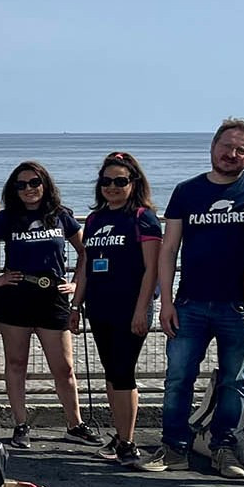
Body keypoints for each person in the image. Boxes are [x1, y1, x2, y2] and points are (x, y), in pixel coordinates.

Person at [143, 118, 244, 475]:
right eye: (226, 146)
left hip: (240, 306)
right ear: (212, 146)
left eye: (241, 150)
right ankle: (173, 447)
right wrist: (166, 301)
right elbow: (169, 250)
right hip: (191, 303)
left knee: (235, 380)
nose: (231, 154)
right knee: (178, 378)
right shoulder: (187, 191)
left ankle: (223, 448)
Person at [0, 162, 91, 448]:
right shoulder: (8, 218)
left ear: (44, 184)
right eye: (21, 185)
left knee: (64, 368)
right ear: (14, 189)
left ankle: (76, 424)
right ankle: (20, 425)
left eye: (34, 183)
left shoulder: (61, 216)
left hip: (53, 298)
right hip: (16, 297)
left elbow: (86, 252)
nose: (29, 189)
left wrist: (76, 284)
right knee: (16, 364)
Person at [69, 152, 162, 468]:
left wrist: (141, 309)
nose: (112, 186)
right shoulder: (95, 219)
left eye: (120, 181)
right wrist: (75, 305)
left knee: (124, 373)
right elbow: (85, 266)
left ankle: (129, 442)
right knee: (112, 372)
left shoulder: (142, 217)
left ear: (133, 182)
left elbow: (152, 269)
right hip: (100, 306)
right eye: (106, 181)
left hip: (131, 307)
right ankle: (121, 435)